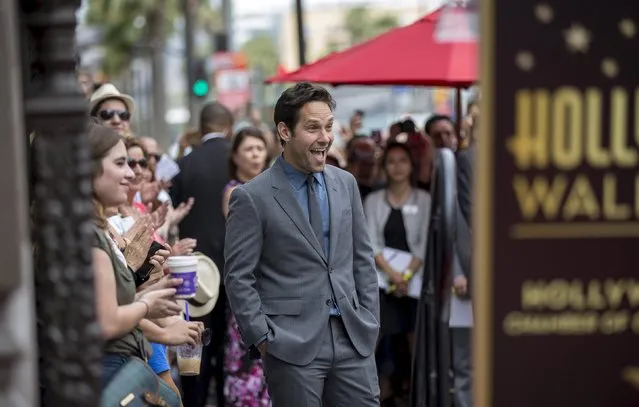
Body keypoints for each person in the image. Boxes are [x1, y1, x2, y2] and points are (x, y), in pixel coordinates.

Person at [224, 82, 380, 407]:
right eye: (312, 128)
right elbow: (239, 276)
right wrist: (263, 338)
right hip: (290, 345)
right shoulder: (251, 197)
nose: (325, 137)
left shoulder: (345, 183)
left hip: (354, 337)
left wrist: (369, 319)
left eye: (328, 126)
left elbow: (362, 258)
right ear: (285, 131)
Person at [170, 101, 234, 407]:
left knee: (195, 343)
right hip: (235, 268)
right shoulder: (238, 163)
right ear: (229, 127)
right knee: (228, 344)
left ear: (201, 127)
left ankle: (194, 400)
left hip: (196, 272)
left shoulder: (184, 164)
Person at [221, 127, 270, 405]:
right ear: (236, 156)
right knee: (247, 346)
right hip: (247, 281)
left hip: (271, 285)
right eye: (249, 149)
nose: (255, 155)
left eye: (260, 149)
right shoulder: (233, 192)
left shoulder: (273, 187)